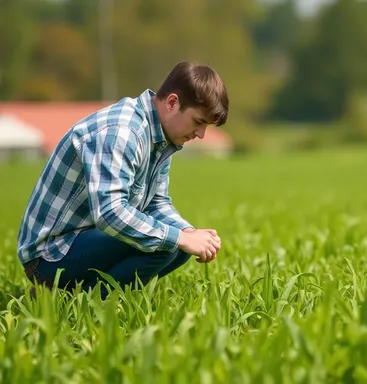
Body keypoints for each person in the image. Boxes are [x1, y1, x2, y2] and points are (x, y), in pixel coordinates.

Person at [17, 61, 228, 299]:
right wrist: (179, 237)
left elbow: (156, 204)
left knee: (178, 247)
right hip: (50, 255)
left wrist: (189, 232)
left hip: (88, 239)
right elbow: (110, 213)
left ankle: (70, 295)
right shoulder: (121, 132)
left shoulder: (161, 137)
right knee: (167, 244)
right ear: (172, 102)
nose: (201, 134)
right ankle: (86, 302)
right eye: (199, 122)